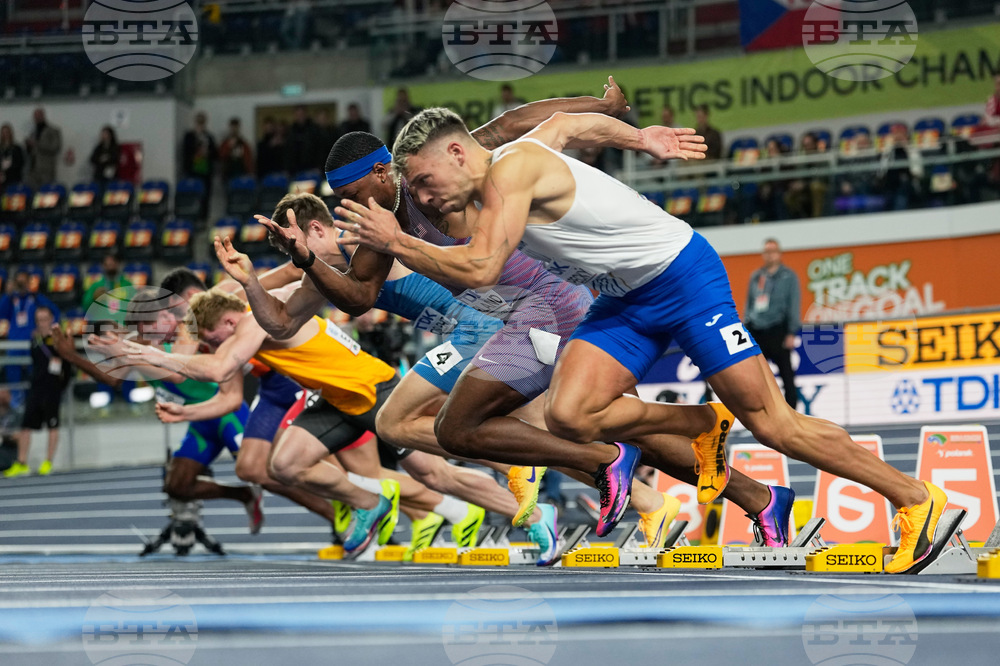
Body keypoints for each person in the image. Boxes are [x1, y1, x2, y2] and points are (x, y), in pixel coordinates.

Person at [339, 107, 949, 573]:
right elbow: (565, 122)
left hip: (685, 281)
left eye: (421, 182)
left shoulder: (512, 171)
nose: (419, 197)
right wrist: (641, 138)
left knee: (773, 423)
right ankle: (700, 426)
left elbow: (480, 268)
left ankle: (915, 497)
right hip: (625, 301)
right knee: (570, 415)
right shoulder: (517, 154)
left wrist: (397, 241)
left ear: (454, 151)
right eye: (413, 192)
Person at [255, 82, 795, 549]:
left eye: (354, 194)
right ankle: (749, 495)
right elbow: (357, 296)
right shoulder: (382, 221)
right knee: (481, 427)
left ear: (382, 171)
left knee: (540, 425)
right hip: (515, 322)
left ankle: (646, 467)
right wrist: (304, 259)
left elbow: (522, 122)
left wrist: (605, 109)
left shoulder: (442, 170)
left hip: (554, 307)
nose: (352, 208)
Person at [2, 307, 71, 478]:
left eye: (45, 319)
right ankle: (21, 462)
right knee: (26, 425)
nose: (42, 323)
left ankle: (48, 461)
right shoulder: (35, 339)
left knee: (52, 425)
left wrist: (61, 385)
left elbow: (68, 364)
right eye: (39, 319)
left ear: (51, 319)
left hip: (53, 388)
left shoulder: (58, 339)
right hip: (36, 388)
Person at [744, 239, 800, 410]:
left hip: (778, 330)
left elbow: (794, 304)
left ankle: (792, 415)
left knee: (787, 376)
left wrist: (791, 332)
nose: (770, 255)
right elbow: (749, 303)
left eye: (773, 251)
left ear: (779, 253)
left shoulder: (789, 276)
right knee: (755, 378)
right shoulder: (756, 275)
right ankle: (760, 414)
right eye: (766, 251)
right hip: (757, 330)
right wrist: (746, 327)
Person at [0, 269, 60, 399]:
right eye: (19, 282)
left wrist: (46, 329)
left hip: (34, 342)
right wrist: (7, 294)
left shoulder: (36, 298)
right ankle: (16, 402)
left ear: (29, 282)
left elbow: (55, 313)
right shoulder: (11, 300)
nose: (21, 285)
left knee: (35, 373)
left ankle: (34, 399)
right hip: (14, 345)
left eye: (24, 281)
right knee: (13, 374)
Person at [182, 111, 217, 211]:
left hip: (205, 171)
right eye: (199, 122)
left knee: (205, 196)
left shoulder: (209, 137)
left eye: (202, 122)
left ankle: (204, 217)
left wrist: (207, 153)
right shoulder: (189, 136)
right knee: (192, 195)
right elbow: (186, 152)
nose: (200, 125)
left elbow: (215, 154)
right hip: (193, 171)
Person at [81, 252, 132, 323]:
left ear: (118, 264)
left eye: (112, 263)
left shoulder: (127, 284)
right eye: (107, 264)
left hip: (122, 324)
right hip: (102, 324)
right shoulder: (96, 285)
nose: (110, 266)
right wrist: (94, 298)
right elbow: (85, 306)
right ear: (102, 266)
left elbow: (134, 306)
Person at [25, 108, 61, 189]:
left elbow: (55, 147)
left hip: (46, 170)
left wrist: (37, 144)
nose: (37, 118)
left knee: (46, 194)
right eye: (35, 116)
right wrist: (28, 146)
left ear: (43, 116)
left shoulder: (53, 131)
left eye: (38, 116)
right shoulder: (33, 133)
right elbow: (30, 152)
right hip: (33, 170)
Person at [286, 105, 319, 174]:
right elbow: (288, 151)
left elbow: (319, 149)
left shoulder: (314, 130)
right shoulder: (291, 131)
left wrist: (318, 166)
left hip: (311, 167)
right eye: (298, 115)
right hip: (295, 169)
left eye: (302, 114)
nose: (300, 117)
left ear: (306, 114)